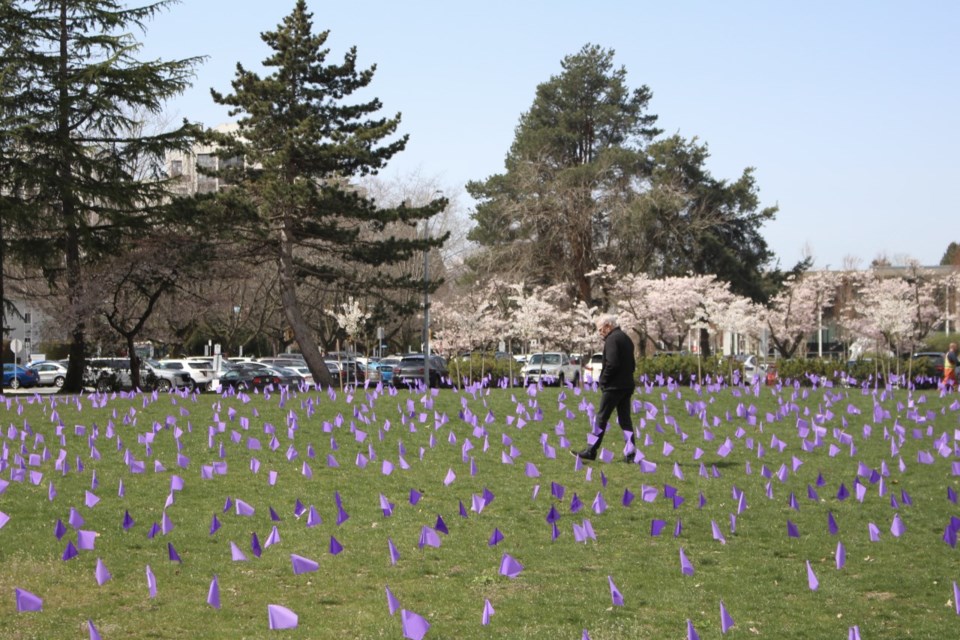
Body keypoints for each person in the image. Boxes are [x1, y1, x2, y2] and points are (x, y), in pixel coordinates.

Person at [573, 314, 636, 462]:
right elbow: (632, 365)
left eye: (601, 330)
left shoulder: (612, 339)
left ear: (608, 326)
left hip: (613, 387)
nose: (600, 333)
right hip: (627, 385)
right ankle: (631, 453)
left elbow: (612, 363)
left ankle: (591, 450)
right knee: (625, 421)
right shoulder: (626, 338)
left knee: (601, 418)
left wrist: (603, 380)